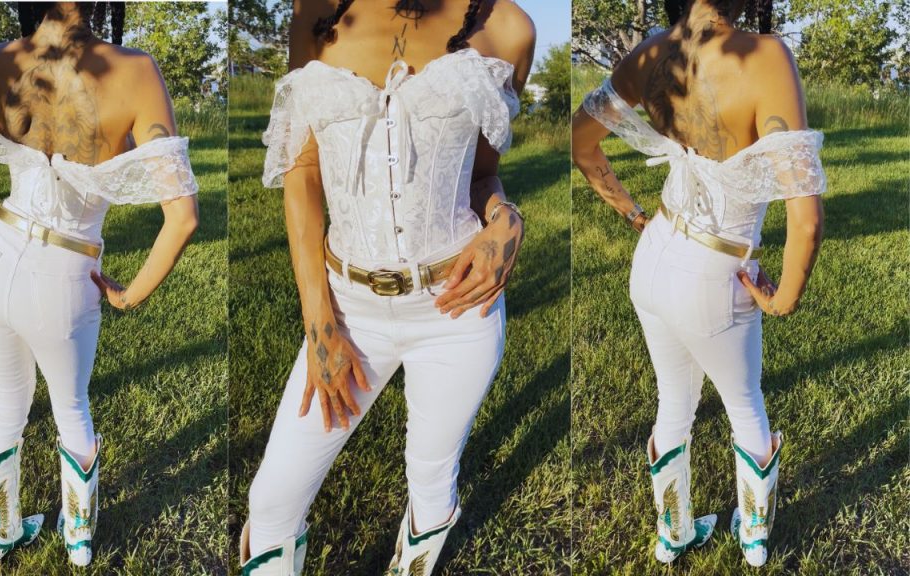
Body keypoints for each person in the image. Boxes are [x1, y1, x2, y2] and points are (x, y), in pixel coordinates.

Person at [0, 2, 199, 566]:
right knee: (72, 409)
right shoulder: (134, 70)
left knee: (7, 403)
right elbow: (183, 217)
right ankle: (78, 542)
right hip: (66, 272)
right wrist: (129, 294)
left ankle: (0, 532)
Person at [238, 0, 535, 574]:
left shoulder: (507, 28)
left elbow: (480, 175)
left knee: (430, 477)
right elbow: (302, 175)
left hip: (456, 311)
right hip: (348, 311)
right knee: (273, 500)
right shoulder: (319, 13)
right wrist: (320, 323)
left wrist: (506, 218)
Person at [571, 0, 824, 567]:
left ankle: (674, 534)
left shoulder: (653, 53)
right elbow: (805, 219)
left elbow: (581, 141)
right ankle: (754, 541)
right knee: (746, 406)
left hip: (653, 255)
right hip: (717, 270)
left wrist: (634, 215)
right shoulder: (765, 57)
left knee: (673, 404)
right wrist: (782, 298)